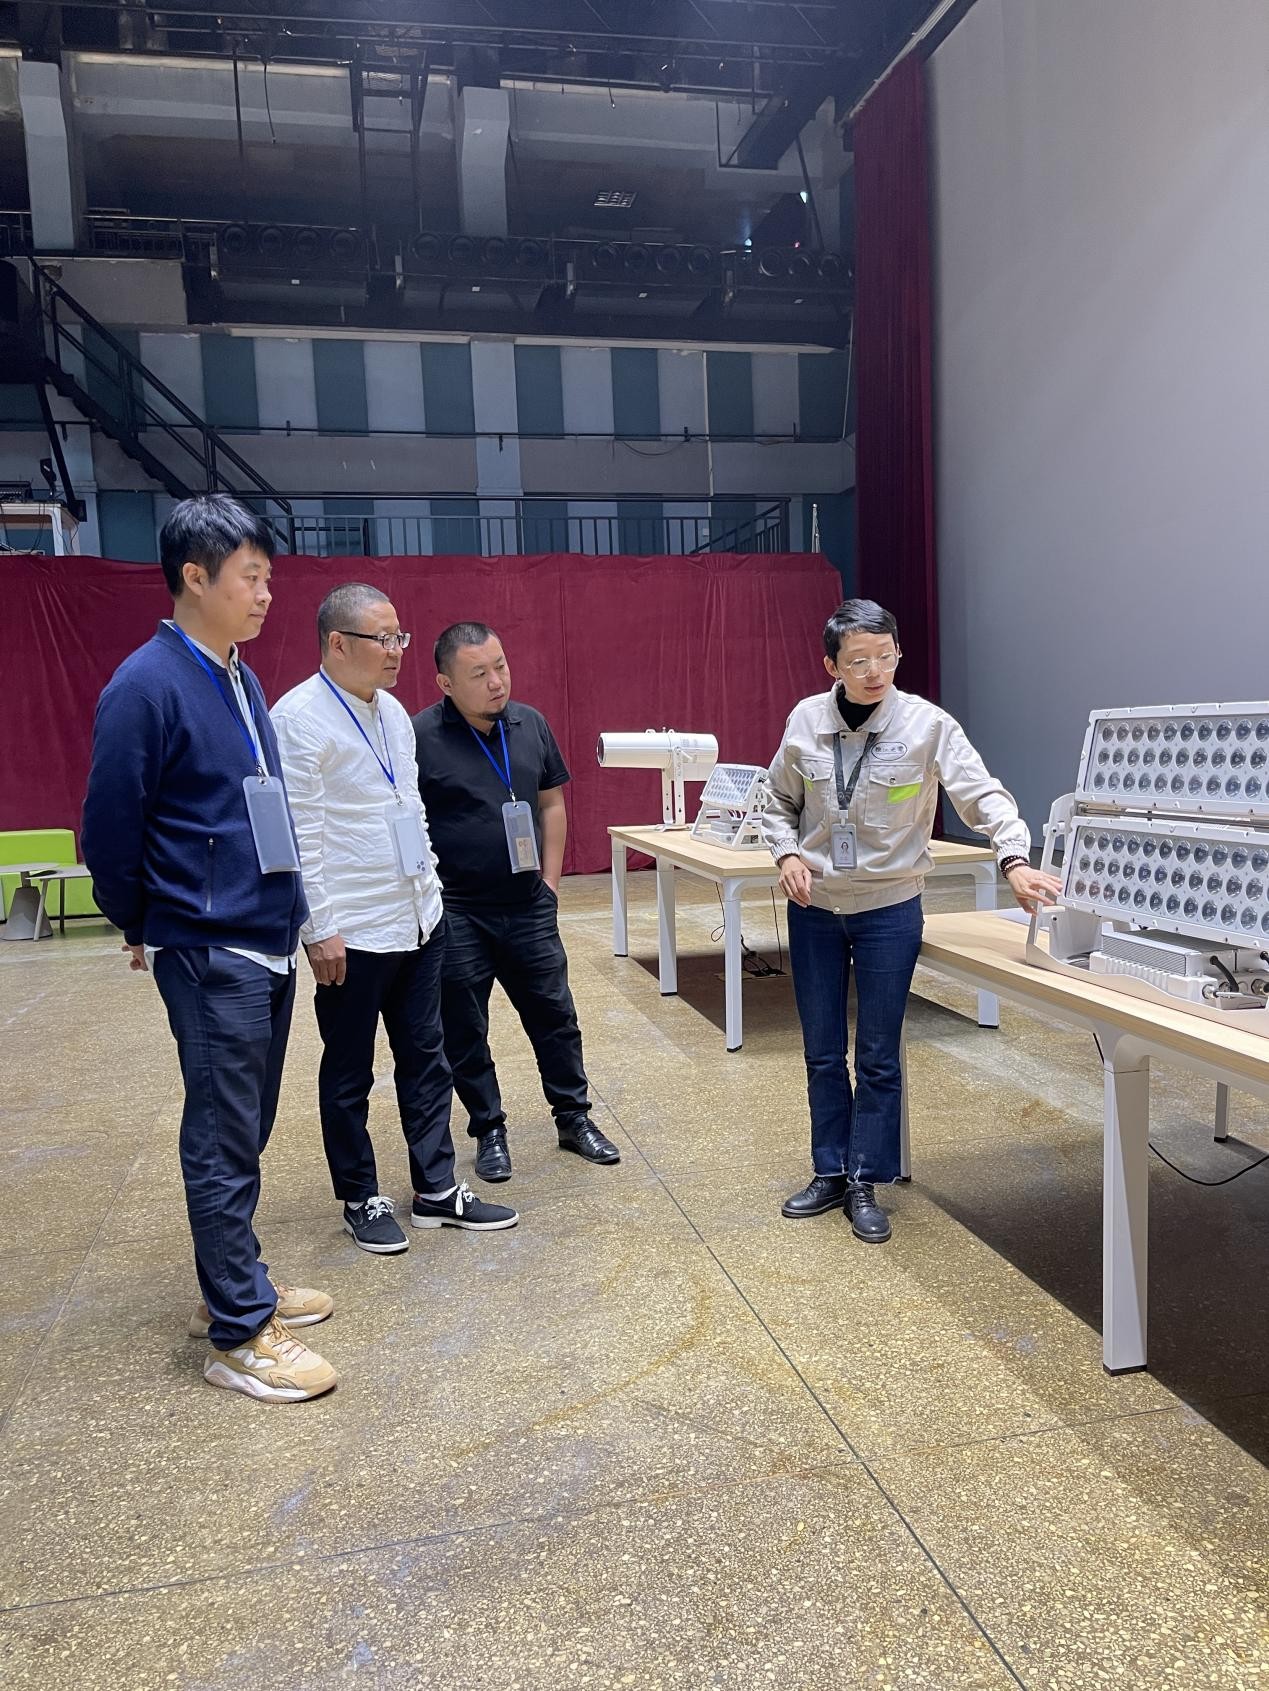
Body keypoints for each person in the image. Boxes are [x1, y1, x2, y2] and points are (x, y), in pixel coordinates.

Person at [81, 494, 338, 1402]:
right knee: (222, 1135)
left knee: (246, 1124)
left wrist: (294, 914)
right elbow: (109, 826)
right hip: (206, 942)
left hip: (260, 934)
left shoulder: (238, 676)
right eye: (250, 577)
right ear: (195, 577)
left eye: (268, 577)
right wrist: (141, 919)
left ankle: (233, 1280)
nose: (266, 594)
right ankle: (238, 1332)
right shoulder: (146, 685)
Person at [763, 597, 1060, 1244]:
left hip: (889, 910)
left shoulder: (928, 725)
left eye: (886, 656)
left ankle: (864, 1180)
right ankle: (828, 1171)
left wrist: (1013, 858)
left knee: (877, 1054)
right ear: (831, 666)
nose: (875, 671)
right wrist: (786, 852)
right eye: (858, 661)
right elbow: (777, 800)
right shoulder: (805, 721)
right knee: (821, 1051)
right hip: (815, 909)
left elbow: (983, 795)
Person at [271, 584, 517, 1252]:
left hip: (417, 919)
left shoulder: (392, 716)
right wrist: (317, 928)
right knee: (350, 1071)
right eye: (382, 638)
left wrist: (430, 894)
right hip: (350, 932)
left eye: (399, 636)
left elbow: (410, 809)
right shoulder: (298, 719)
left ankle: (436, 1188)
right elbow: (298, 836)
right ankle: (360, 1195)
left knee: (427, 1059)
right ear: (337, 643)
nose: (396, 650)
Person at [411, 622, 620, 1182]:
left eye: (500, 666)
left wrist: (550, 882)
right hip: (459, 909)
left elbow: (551, 803)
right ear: (445, 683)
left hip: (528, 904)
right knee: (464, 1028)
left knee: (556, 1016)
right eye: (479, 673)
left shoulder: (531, 724)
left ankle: (574, 1118)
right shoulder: (420, 737)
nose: (496, 682)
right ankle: (488, 1130)